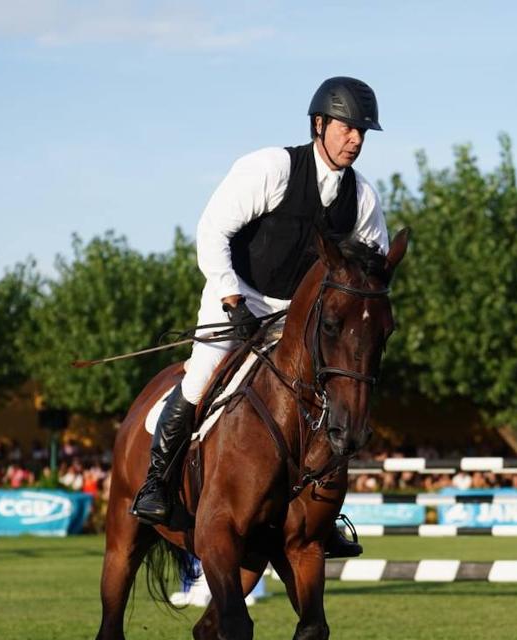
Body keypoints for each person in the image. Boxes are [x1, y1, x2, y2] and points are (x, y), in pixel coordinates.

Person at [131, 76, 388, 559]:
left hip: (298, 318)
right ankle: (156, 485)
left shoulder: (364, 197)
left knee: (327, 399)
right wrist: (233, 302)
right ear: (319, 124)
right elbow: (212, 232)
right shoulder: (271, 168)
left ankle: (322, 516)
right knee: (202, 376)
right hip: (239, 295)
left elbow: (370, 268)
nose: (355, 140)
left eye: (363, 132)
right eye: (347, 128)